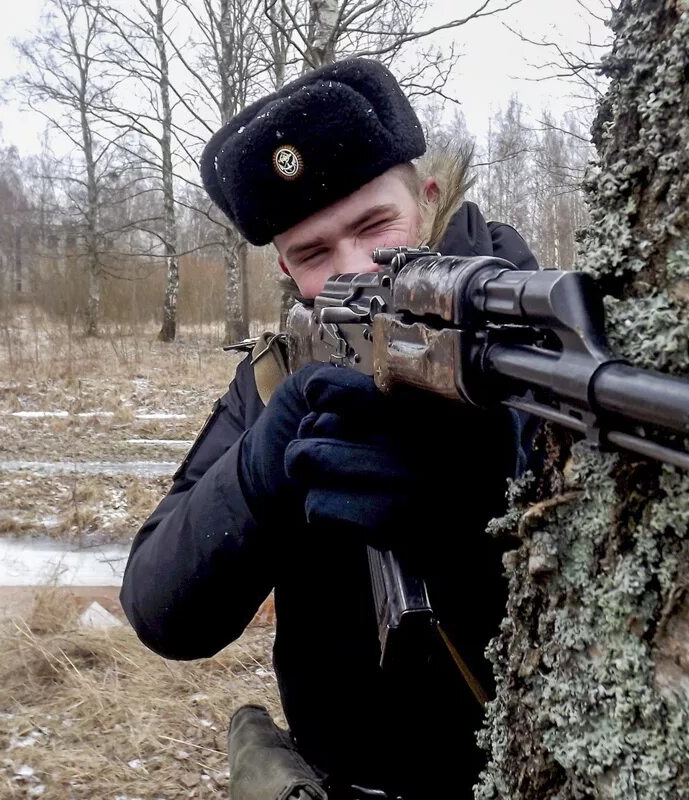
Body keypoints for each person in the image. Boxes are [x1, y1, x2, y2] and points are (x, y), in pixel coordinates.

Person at [119, 57, 539, 800]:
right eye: (312, 254)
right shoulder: (281, 377)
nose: (352, 269)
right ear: (284, 267)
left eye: (375, 225)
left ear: (428, 197)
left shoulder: (528, 331)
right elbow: (160, 611)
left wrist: (495, 477)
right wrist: (261, 470)